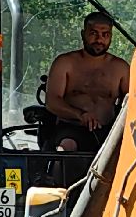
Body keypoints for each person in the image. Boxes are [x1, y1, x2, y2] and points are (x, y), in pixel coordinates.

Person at [41, 11, 130, 152]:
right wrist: (79, 115)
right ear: (83, 34)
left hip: (108, 131)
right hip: (71, 128)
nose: (99, 40)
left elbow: (132, 102)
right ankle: (57, 173)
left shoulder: (121, 68)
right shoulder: (65, 63)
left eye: (105, 35)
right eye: (93, 33)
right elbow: (52, 102)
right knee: (65, 148)